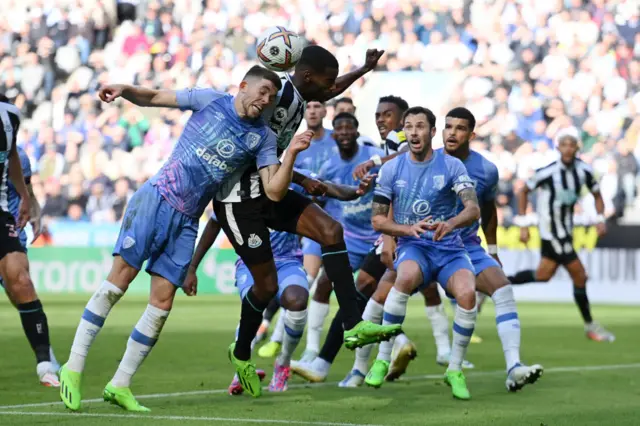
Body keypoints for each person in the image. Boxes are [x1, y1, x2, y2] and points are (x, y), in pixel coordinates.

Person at [58, 65, 310, 412]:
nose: (265, 100)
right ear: (243, 86)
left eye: (271, 97)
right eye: (262, 92)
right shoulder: (210, 101)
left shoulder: (263, 137)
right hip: (157, 199)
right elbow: (156, 97)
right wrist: (124, 88)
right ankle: (72, 367)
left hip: (189, 218)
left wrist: (292, 152)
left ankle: (120, 384)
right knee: (118, 282)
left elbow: (274, 191)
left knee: (162, 305)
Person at [213, 45, 401, 397]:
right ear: (308, 77)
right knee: (266, 288)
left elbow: (328, 91)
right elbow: (242, 132)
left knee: (331, 230)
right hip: (238, 199)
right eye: (327, 82)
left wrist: (363, 69)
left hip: (271, 188)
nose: (332, 90)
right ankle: (241, 355)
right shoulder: (275, 94)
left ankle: (352, 325)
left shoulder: (301, 101)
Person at [291, 96, 462, 389]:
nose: (382, 120)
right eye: (379, 115)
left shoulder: (404, 144)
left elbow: (400, 178)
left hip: (411, 239)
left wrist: (388, 236)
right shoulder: (392, 146)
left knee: (366, 296)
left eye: (388, 115)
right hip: (397, 235)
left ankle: (343, 364)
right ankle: (377, 354)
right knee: (365, 295)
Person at [185, 169, 376, 394]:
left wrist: (356, 192)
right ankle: (241, 370)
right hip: (251, 262)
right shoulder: (239, 187)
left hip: (287, 261)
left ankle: (283, 363)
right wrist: (192, 267)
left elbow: (326, 186)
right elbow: (214, 225)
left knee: (297, 301)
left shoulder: (291, 176)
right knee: (254, 302)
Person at [366, 106, 480, 400]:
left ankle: (454, 369)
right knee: (404, 277)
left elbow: (472, 208)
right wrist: (407, 230)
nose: (414, 132)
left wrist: (451, 222)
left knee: (467, 294)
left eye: (420, 126)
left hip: (449, 247)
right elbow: (378, 220)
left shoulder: (452, 165)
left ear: (432, 132)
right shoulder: (391, 169)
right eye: (409, 127)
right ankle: (382, 358)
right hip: (415, 245)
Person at [440, 107, 543, 391]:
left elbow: (488, 210)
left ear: (471, 134)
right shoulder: (427, 160)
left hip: (466, 246)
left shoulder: (486, 169)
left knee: (503, 288)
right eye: (448, 126)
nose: (452, 132)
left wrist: (493, 249)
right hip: (427, 245)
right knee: (380, 292)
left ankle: (514, 367)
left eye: (460, 128)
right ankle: (357, 368)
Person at [508, 130, 615, 342]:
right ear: (558, 148)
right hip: (551, 232)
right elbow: (523, 191)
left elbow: (597, 195)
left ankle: (492, 283)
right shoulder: (548, 172)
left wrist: (600, 219)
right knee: (580, 274)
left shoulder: (584, 171)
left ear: (577, 147)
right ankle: (590, 326)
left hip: (565, 230)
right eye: (563, 144)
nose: (567, 148)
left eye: (571, 144)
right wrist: (522, 224)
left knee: (543, 275)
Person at [0, 94, 59, 387]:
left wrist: (30, 206)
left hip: (5, 219)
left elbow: (23, 180)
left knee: (20, 283)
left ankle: (46, 362)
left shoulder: (12, 134)